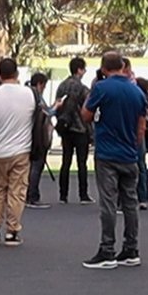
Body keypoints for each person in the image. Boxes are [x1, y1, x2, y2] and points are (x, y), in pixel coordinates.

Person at [80, 52, 146, 269]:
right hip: (129, 153)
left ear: (103, 68)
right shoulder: (137, 91)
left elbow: (86, 115)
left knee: (108, 203)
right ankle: (131, 248)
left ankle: (107, 249)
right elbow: (141, 126)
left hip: (107, 153)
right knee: (130, 203)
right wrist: (134, 147)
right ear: (123, 66)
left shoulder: (101, 88)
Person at [0, 58, 35, 246]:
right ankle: (12, 230)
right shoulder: (28, 94)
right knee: (17, 191)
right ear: (17, 73)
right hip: (21, 149)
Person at [55, 56, 94, 205]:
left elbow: (57, 105)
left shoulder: (62, 86)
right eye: (83, 69)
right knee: (81, 163)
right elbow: (89, 106)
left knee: (66, 161)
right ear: (79, 70)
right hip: (80, 128)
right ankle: (83, 194)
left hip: (66, 128)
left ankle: (63, 195)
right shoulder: (82, 88)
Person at [26, 72, 53, 210]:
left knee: (32, 167)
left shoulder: (27, 95)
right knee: (36, 166)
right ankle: (32, 195)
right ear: (40, 84)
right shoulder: (36, 97)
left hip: (31, 135)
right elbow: (45, 113)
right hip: (38, 136)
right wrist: (56, 107)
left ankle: (29, 194)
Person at [134, 77, 148, 209]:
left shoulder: (136, 96)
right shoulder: (144, 98)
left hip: (134, 132)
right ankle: (143, 196)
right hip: (141, 132)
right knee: (141, 165)